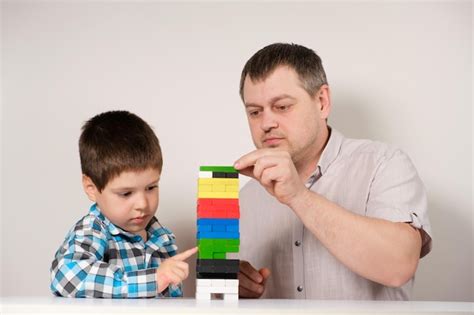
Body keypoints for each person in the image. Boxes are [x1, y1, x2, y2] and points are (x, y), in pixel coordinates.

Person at [233, 43, 432, 300]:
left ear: (322, 102)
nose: (267, 123)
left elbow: (398, 266)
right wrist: (233, 287)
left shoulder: (384, 164)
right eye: (255, 112)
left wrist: (298, 196)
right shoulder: (246, 198)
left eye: (282, 106)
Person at [50, 110, 197, 298]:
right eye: (126, 193)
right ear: (91, 188)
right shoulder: (94, 230)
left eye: (151, 187)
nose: (142, 204)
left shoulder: (162, 238)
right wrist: (154, 280)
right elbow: (68, 277)